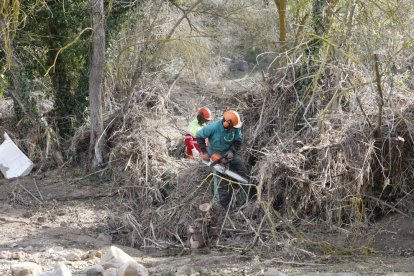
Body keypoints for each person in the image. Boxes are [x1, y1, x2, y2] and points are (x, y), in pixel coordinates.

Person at [196, 110, 249, 208]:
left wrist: (232, 151)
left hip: (228, 153)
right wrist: (204, 151)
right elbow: (199, 135)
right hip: (215, 154)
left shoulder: (235, 128)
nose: (234, 129)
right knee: (220, 178)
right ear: (226, 123)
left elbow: (238, 141)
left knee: (242, 168)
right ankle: (221, 203)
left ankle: (246, 195)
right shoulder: (213, 127)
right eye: (233, 127)